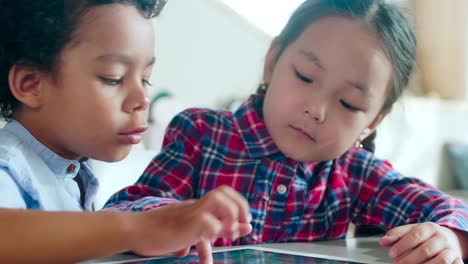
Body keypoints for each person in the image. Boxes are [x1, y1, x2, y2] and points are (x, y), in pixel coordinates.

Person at [104, 0, 468, 263]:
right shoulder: (202, 133)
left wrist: (450, 236)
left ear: (373, 120)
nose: (317, 109)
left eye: (350, 104)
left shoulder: (353, 171)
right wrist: (175, 217)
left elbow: (450, 208)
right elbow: (119, 214)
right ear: (273, 61)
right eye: (305, 77)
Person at [0, 0, 251, 263]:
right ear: (31, 84)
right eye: (114, 78)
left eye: (145, 79)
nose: (142, 99)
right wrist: (137, 228)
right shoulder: (9, 166)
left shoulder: (71, 175)